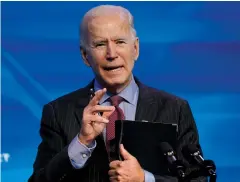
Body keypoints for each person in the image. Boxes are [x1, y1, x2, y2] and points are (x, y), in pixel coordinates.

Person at [29, 4, 206, 182]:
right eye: (100, 44)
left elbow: (198, 180)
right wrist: (81, 142)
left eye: (120, 42)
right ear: (85, 56)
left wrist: (145, 179)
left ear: (135, 48)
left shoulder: (175, 109)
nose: (112, 54)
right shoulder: (58, 112)